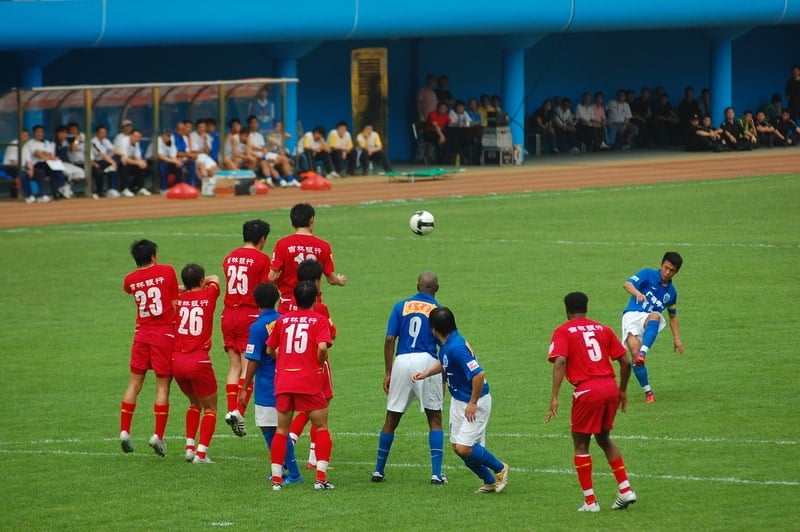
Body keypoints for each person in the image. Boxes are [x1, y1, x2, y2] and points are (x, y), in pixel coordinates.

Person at [544, 291, 637, 512]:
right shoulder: (603, 328)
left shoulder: (563, 331)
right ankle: (625, 490)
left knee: (581, 444)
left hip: (587, 391)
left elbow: (560, 361)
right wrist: (622, 391)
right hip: (609, 387)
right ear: (586, 308)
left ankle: (590, 502)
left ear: (567, 311)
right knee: (604, 438)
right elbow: (625, 361)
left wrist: (554, 397)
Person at [411, 307, 509, 494]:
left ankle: (500, 468)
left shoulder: (457, 348)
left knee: (465, 448)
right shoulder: (448, 344)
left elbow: (478, 374)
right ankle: (489, 481)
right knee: (457, 447)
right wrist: (425, 374)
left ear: (434, 329)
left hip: (475, 402)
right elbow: (444, 362)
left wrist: (473, 403)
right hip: (459, 401)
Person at [371, 272, 446, 484]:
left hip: (401, 361)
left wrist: (388, 371)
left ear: (417, 286)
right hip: (427, 361)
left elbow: (389, 338)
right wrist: (444, 378)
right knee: (434, 418)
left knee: (391, 418)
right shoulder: (438, 311)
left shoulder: (400, 306)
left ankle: (378, 470)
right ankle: (436, 474)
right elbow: (446, 345)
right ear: (436, 289)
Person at [266, 281, 335, 491]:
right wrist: (320, 360)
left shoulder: (283, 320)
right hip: (308, 380)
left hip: (284, 380)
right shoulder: (319, 320)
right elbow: (323, 346)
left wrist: (283, 359)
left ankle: (277, 479)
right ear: (315, 299)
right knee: (321, 426)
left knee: (281, 430)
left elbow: (269, 349)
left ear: (294, 299)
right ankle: (321, 478)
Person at [119, 239, 179, 456]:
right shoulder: (168, 271)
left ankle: (125, 430)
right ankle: (158, 436)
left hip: (141, 333)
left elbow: (135, 288)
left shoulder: (130, 280)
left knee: (134, 383)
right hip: (164, 334)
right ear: (154, 256)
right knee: (163, 386)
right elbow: (172, 300)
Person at [239, 282, 303, 484]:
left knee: (270, 430)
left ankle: (291, 472)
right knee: (280, 428)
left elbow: (254, 359)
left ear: (255, 302)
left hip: (267, 386)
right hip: (287, 380)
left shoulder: (257, 327)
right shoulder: (285, 321)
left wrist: (244, 387)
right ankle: (281, 467)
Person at [221, 219, 272, 437]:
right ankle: (239, 411)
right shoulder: (262, 259)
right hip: (248, 313)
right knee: (246, 364)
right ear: (262, 239)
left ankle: (231, 409)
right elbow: (264, 288)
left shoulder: (229, 257)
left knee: (233, 365)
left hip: (227, 314)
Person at [286, 259, 338, 470]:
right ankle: (313, 458)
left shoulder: (288, 303)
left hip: (291, 364)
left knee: (307, 408)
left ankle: (294, 441)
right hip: (316, 363)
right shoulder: (320, 307)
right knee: (320, 407)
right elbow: (330, 336)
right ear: (317, 281)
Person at [172, 264, 220, 464]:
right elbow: (216, 278)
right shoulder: (209, 295)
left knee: (194, 403)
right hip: (198, 360)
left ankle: (190, 447)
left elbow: (174, 291)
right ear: (202, 281)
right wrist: (200, 282)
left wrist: (185, 286)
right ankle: (201, 454)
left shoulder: (178, 299)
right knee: (211, 408)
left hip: (176, 360)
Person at [622, 251, 685, 402]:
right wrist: (637, 293)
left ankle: (644, 353)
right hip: (631, 316)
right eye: (666, 268)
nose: (667, 272)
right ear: (661, 265)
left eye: (672, 271)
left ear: (676, 272)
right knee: (635, 356)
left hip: (649, 320)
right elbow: (627, 284)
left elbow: (673, 316)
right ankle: (648, 392)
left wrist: (677, 338)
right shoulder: (647, 274)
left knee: (656, 315)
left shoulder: (671, 292)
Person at [269, 202, 347, 314]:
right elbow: (331, 279)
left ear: (292, 222)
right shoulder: (323, 245)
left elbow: (272, 277)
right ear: (311, 220)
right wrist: (340, 280)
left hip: (288, 303)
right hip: (313, 303)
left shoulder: (282, 244)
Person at [90, 125, 119, 198]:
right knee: (98, 172)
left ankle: (111, 189)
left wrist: (123, 155)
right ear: (97, 133)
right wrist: (112, 162)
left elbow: (113, 149)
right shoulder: (93, 142)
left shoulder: (106, 140)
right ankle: (99, 191)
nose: (103, 134)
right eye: (101, 132)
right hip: (94, 162)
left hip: (104, 161)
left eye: (104, 133)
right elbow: (102, 154)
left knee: (115, 167)